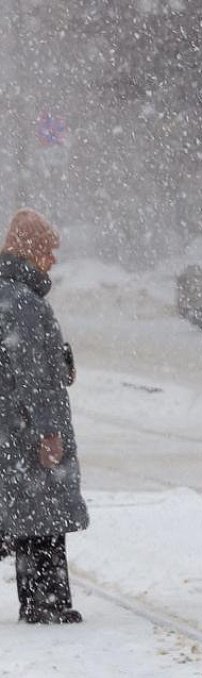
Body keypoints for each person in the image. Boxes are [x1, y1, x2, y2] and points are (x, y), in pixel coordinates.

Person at [0, 208, 88, 624]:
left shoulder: (6, 294)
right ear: (32, 251)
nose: (53, 260)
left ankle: (36, 600)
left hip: (10, 428)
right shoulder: (24, 304)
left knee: (24, 517)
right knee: (42, 516)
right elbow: (36, 378)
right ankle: (48, 601)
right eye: (49, 252)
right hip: (25, 429)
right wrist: (48, 432)